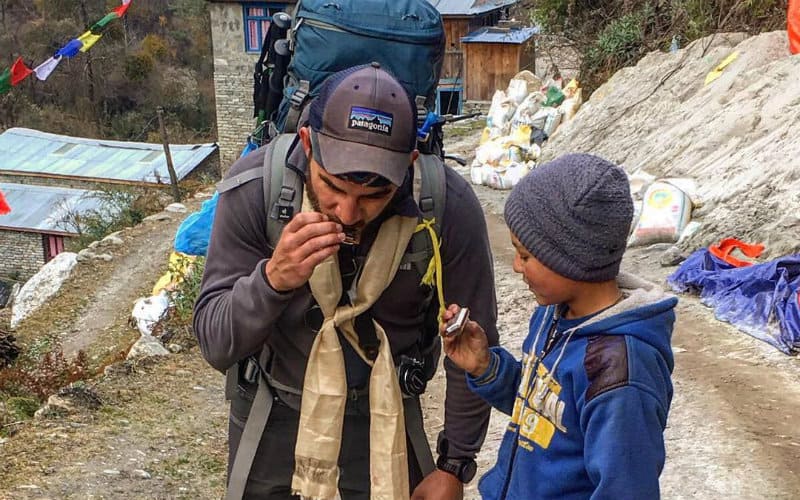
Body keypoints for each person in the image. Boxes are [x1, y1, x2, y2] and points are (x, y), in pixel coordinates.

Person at [193, 63, 498, 499]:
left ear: (409, 164)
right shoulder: (256, 189)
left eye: (374, 196)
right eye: (332, 187)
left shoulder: (447, 205)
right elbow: (214, 343)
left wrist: (453, 464)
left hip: (387, 422)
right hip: (274, 418)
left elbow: (474, 344)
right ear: (307, 145)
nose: (349, 213)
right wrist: (272, 281)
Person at [441, 153, 677, 499]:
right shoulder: (557, 316)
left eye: (525, 256)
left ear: (570, 257)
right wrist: (486, 366)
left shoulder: (619, 370)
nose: (517, 268)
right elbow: (544, 410)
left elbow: (626, 488)